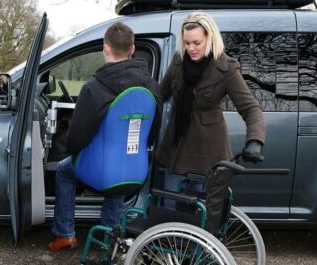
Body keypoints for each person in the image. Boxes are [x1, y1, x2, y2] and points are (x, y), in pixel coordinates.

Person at [48, 22, 160, 251]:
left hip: (103, 170)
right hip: (136, 169)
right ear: (132, 49)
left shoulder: (93, 88)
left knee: (63, 170)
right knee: (117, 176)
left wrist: (68, 147)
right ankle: (109, 239)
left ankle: (65, 234)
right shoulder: (152, 86)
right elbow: (151, 135)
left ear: (105, 48)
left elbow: (77, 138)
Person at [156, 12, 266, 200]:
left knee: (202, 216)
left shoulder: (227, 68)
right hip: (175, 152)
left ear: (210, 37)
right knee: (171, 212)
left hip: (208, 155)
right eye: (187, 43)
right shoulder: (178, 61)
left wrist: (255, 140)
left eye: (196, 43)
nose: (191, 48)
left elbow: (251, 109)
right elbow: (160, 94)